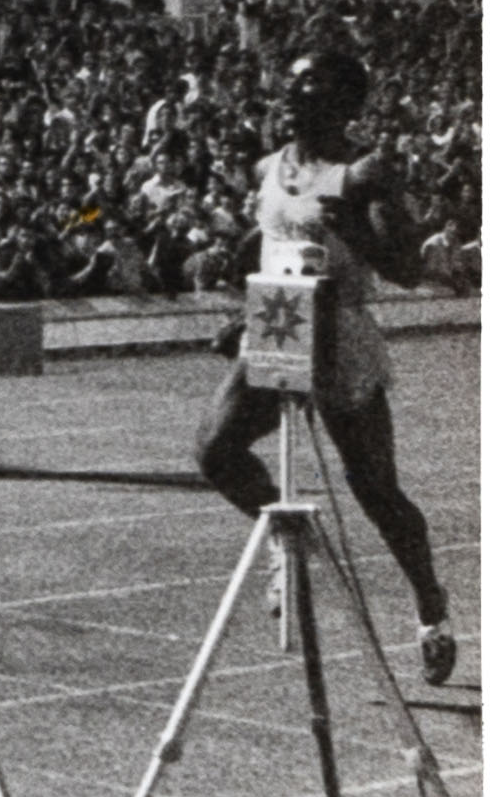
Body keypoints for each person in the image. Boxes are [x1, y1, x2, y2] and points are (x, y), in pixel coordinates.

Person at [194, 50, 455, 685]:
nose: (290, 93)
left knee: (374, 489)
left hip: (341, 334)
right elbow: (269, 241)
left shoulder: (365, 173)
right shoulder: (268, 165)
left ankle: (431, 606)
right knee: (215, 450)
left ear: (344, 101)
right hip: (279, 324)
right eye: (289, 82)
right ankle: (287, 541)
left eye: (308, 84)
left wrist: (357, 235)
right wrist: (242, 307)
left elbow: (406, 269)